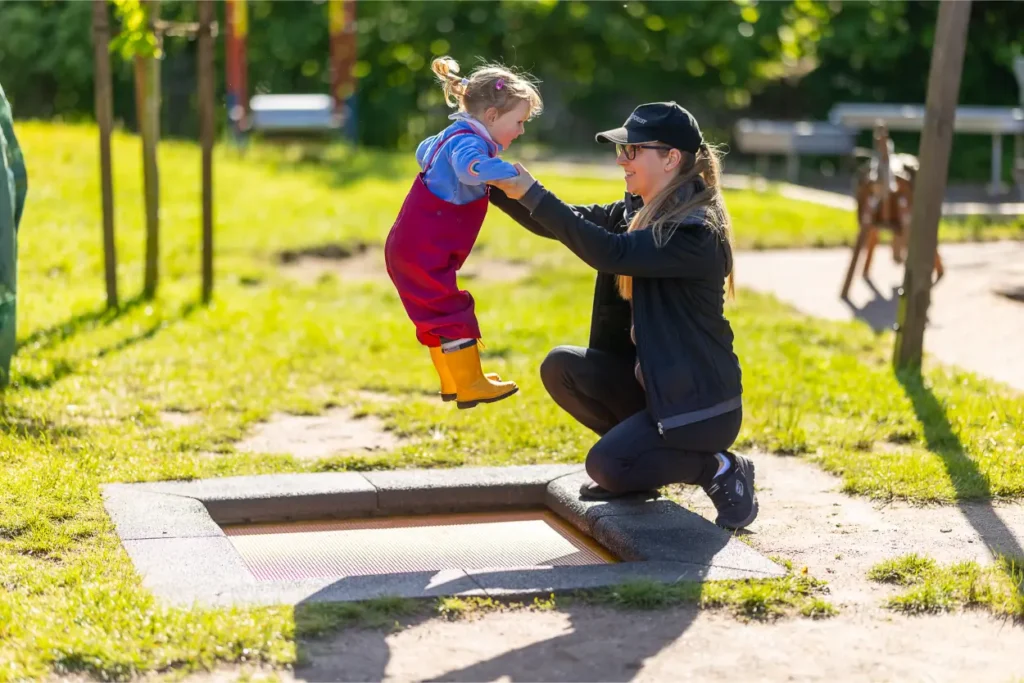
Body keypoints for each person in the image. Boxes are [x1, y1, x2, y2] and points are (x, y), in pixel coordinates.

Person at [488, 102, 757, 530]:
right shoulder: (638, 211)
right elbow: (566, 222)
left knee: (606, 466)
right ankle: (641, 462)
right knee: (563, 367)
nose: (620, 160)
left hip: (698, 407)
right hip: (654, 389)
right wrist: (490, 182)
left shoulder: (694, 230)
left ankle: (719, 468)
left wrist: (533, 191)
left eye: (632, 151)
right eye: (622, 150)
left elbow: (610, 253)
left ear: (671, 158)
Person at [384, 56, 542, 409]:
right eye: (518, 122)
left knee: (435, 314)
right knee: (451, 311)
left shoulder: (450, 134)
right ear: (491, 117)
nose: (521, 131)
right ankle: (470, 383)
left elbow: (422, 151)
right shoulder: (469, 144)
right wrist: (507, 174)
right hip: (425, 248)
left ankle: (454, 381)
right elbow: (470, 169)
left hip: (410, 246)